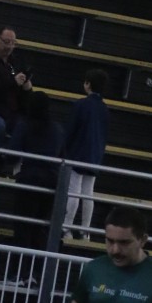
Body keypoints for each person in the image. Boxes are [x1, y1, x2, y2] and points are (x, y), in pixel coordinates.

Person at [9, 89, 65, 253]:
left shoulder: (24, 125)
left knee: (23, 229)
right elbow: (63, 155)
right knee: (41, 231)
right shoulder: (57, 129)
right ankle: (37, 267)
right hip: (51, 183)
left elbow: (12, 153)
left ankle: (21, 266)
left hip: (29, 180)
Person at [61, 68, 109, 241]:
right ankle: (85, 230)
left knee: (73, 191)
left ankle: (66, 227)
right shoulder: (105, 109)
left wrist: (64, 149)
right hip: (95, 154)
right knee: (88, 193)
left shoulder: (80, 104)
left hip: (78, 152)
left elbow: (71, 130)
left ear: (87, 84)